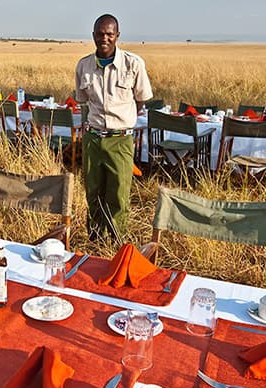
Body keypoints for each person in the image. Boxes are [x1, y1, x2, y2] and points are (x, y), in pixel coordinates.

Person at [75, 14, 153, 239]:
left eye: (110, 34)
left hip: (120, 139)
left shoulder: (133, 64)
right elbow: (83, 101)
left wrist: (123, 120)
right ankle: (95, 240)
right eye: (100, 34)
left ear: (117, 36)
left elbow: (141, 99)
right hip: (93, 138)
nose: (105, 38)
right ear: (93, 36)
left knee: (118, 193)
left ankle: (116, 243)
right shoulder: (84, 66)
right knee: (93, 191)